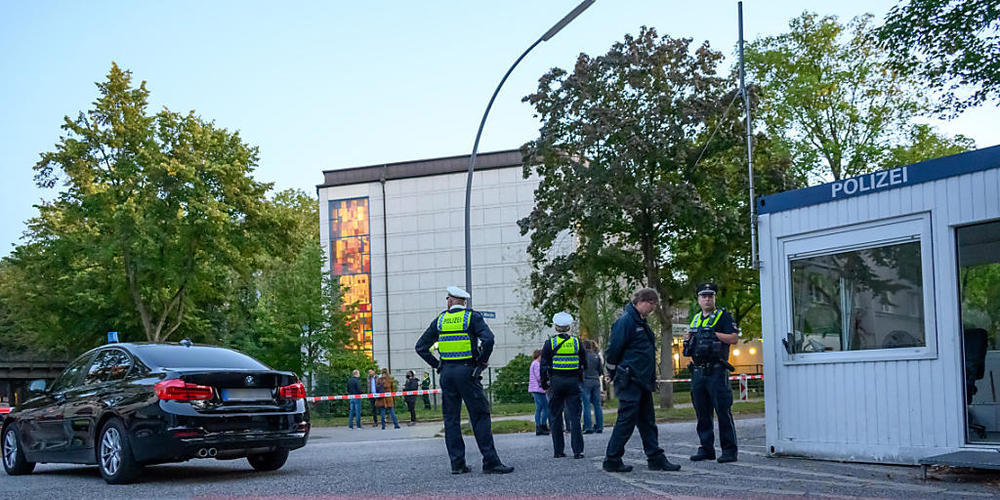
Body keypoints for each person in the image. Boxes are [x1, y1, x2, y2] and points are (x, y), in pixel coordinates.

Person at [415, 286, 514, 475]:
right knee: (479, 416)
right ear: (464, 302)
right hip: (467, 372)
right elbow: (489, 340)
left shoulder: (440, 320)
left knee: (451, 419)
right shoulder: (472, 317)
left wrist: (437, 365)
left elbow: (420, 347)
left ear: (450, 301)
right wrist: (481, 361)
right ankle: (490, 462)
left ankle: (457, 464)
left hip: (447, 374)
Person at [603, 287, 681, 473]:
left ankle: (655, 457)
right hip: (630, 378)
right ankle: (612, 459)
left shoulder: (639, 321)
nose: (653, 308)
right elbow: (613, 349)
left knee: (647, 421)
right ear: (641, 302)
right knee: (626, 420)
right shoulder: (627, 321)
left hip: (641, 379)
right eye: (651, 303)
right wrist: (612, 371)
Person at [683, 282, 739, 463]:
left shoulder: (723, 316)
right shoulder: (696, 318)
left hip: (716, 370)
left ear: (714, 298)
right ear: (698, 299)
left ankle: (729, 450)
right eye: (703, 296)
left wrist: (713, 334)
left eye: (710, 296)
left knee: (722, 411)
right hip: (698, 371)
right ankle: (706, 448)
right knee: (702, 413)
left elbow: (734, 338)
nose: (707, 299)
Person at [540, 312, 587, 459]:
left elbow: (543, 366)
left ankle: (558, 451)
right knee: (575, 416)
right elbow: (584, 363)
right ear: (569, 327)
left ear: (556, 327)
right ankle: (578, 451)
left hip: (556, 382)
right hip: (573, 382)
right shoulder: (577, 342)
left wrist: (544, 383)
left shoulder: (550, 343)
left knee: (555, 416)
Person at [581, 339, 604, 434]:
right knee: (597, 405)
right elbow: (600, 371)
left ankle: (588, 426)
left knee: (586, 405)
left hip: (586, 381)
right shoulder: (596, 356)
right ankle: (599, 426)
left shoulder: (582, 357)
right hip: (595, 381)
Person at [528, 349, 550, 436]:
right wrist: (545, 383)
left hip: (534, 388)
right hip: (539, 389)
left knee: (539, 408)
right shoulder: (537, 364)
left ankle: (538, 426)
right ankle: (542, 425)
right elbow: (539, 376)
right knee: (545, 407)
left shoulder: (533, 363)